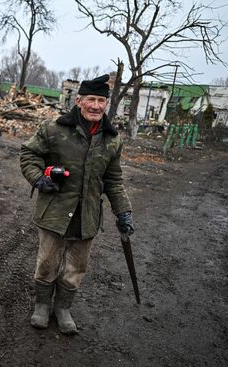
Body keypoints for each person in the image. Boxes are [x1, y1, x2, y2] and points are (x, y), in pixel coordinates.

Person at [20, 74, 134, 334]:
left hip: (88, 214)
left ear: (107, 104)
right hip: (55, 211)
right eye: (91, 99)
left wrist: (124, 212)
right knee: (48, 262)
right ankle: (41, 305)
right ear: (79, 100)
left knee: (76, 267)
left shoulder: (112, 139)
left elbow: (113, 180)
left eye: (101, 101)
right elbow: (28, 153)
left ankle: (62, 308)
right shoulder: (53, 128)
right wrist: (39, 178)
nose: (96, 106)